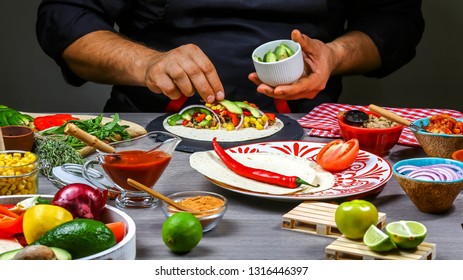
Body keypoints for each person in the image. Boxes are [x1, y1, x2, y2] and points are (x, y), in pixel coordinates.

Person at [36, 0, 424, 113]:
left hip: (309, 132)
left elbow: (395, 19)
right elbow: (65, 15)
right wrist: (147, 63)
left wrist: (335, 55)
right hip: (153, 132)